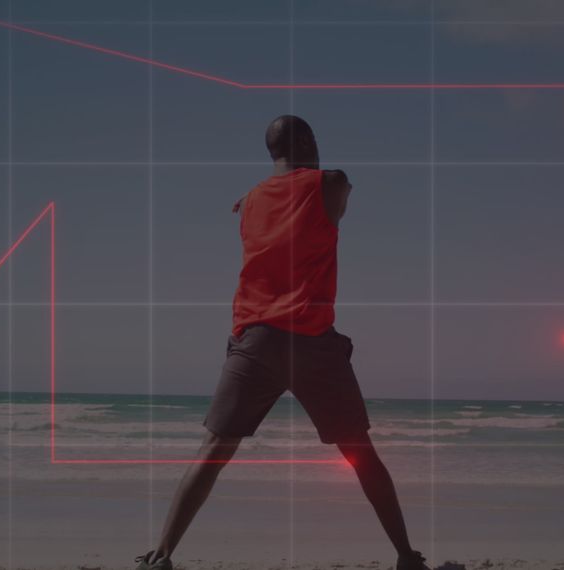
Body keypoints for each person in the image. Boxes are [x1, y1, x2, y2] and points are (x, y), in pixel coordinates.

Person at [136, 115, 429, 570]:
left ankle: (162, 554)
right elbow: (337, 194)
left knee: (214, 448)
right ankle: (407, 557)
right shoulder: (329, 182)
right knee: (359, 452)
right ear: (309, 141)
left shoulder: (249, 201)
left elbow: (277, 204)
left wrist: (260, 193)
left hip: (256, 339)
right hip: (312, 343)